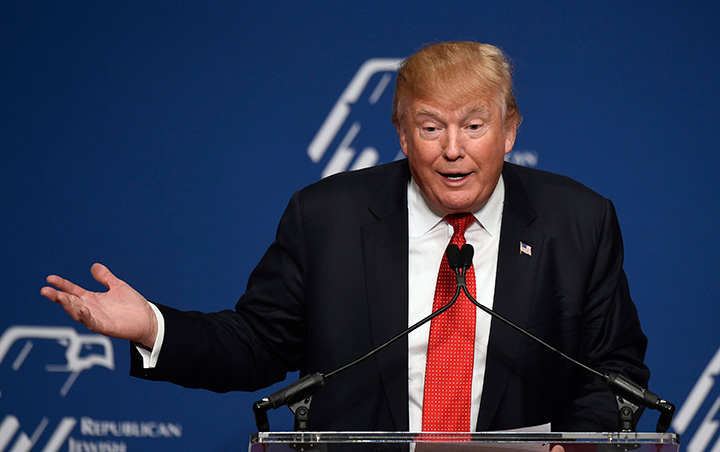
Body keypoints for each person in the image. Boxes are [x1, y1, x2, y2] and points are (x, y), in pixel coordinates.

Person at [41, 41, 649, 433]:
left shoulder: (578, 221)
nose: (453, 149)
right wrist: (152, 326)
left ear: (509, 130)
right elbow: (257, 343)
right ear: (403, 135)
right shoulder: (325, 215)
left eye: (474, 124)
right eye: (431, 126)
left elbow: (612, 372)